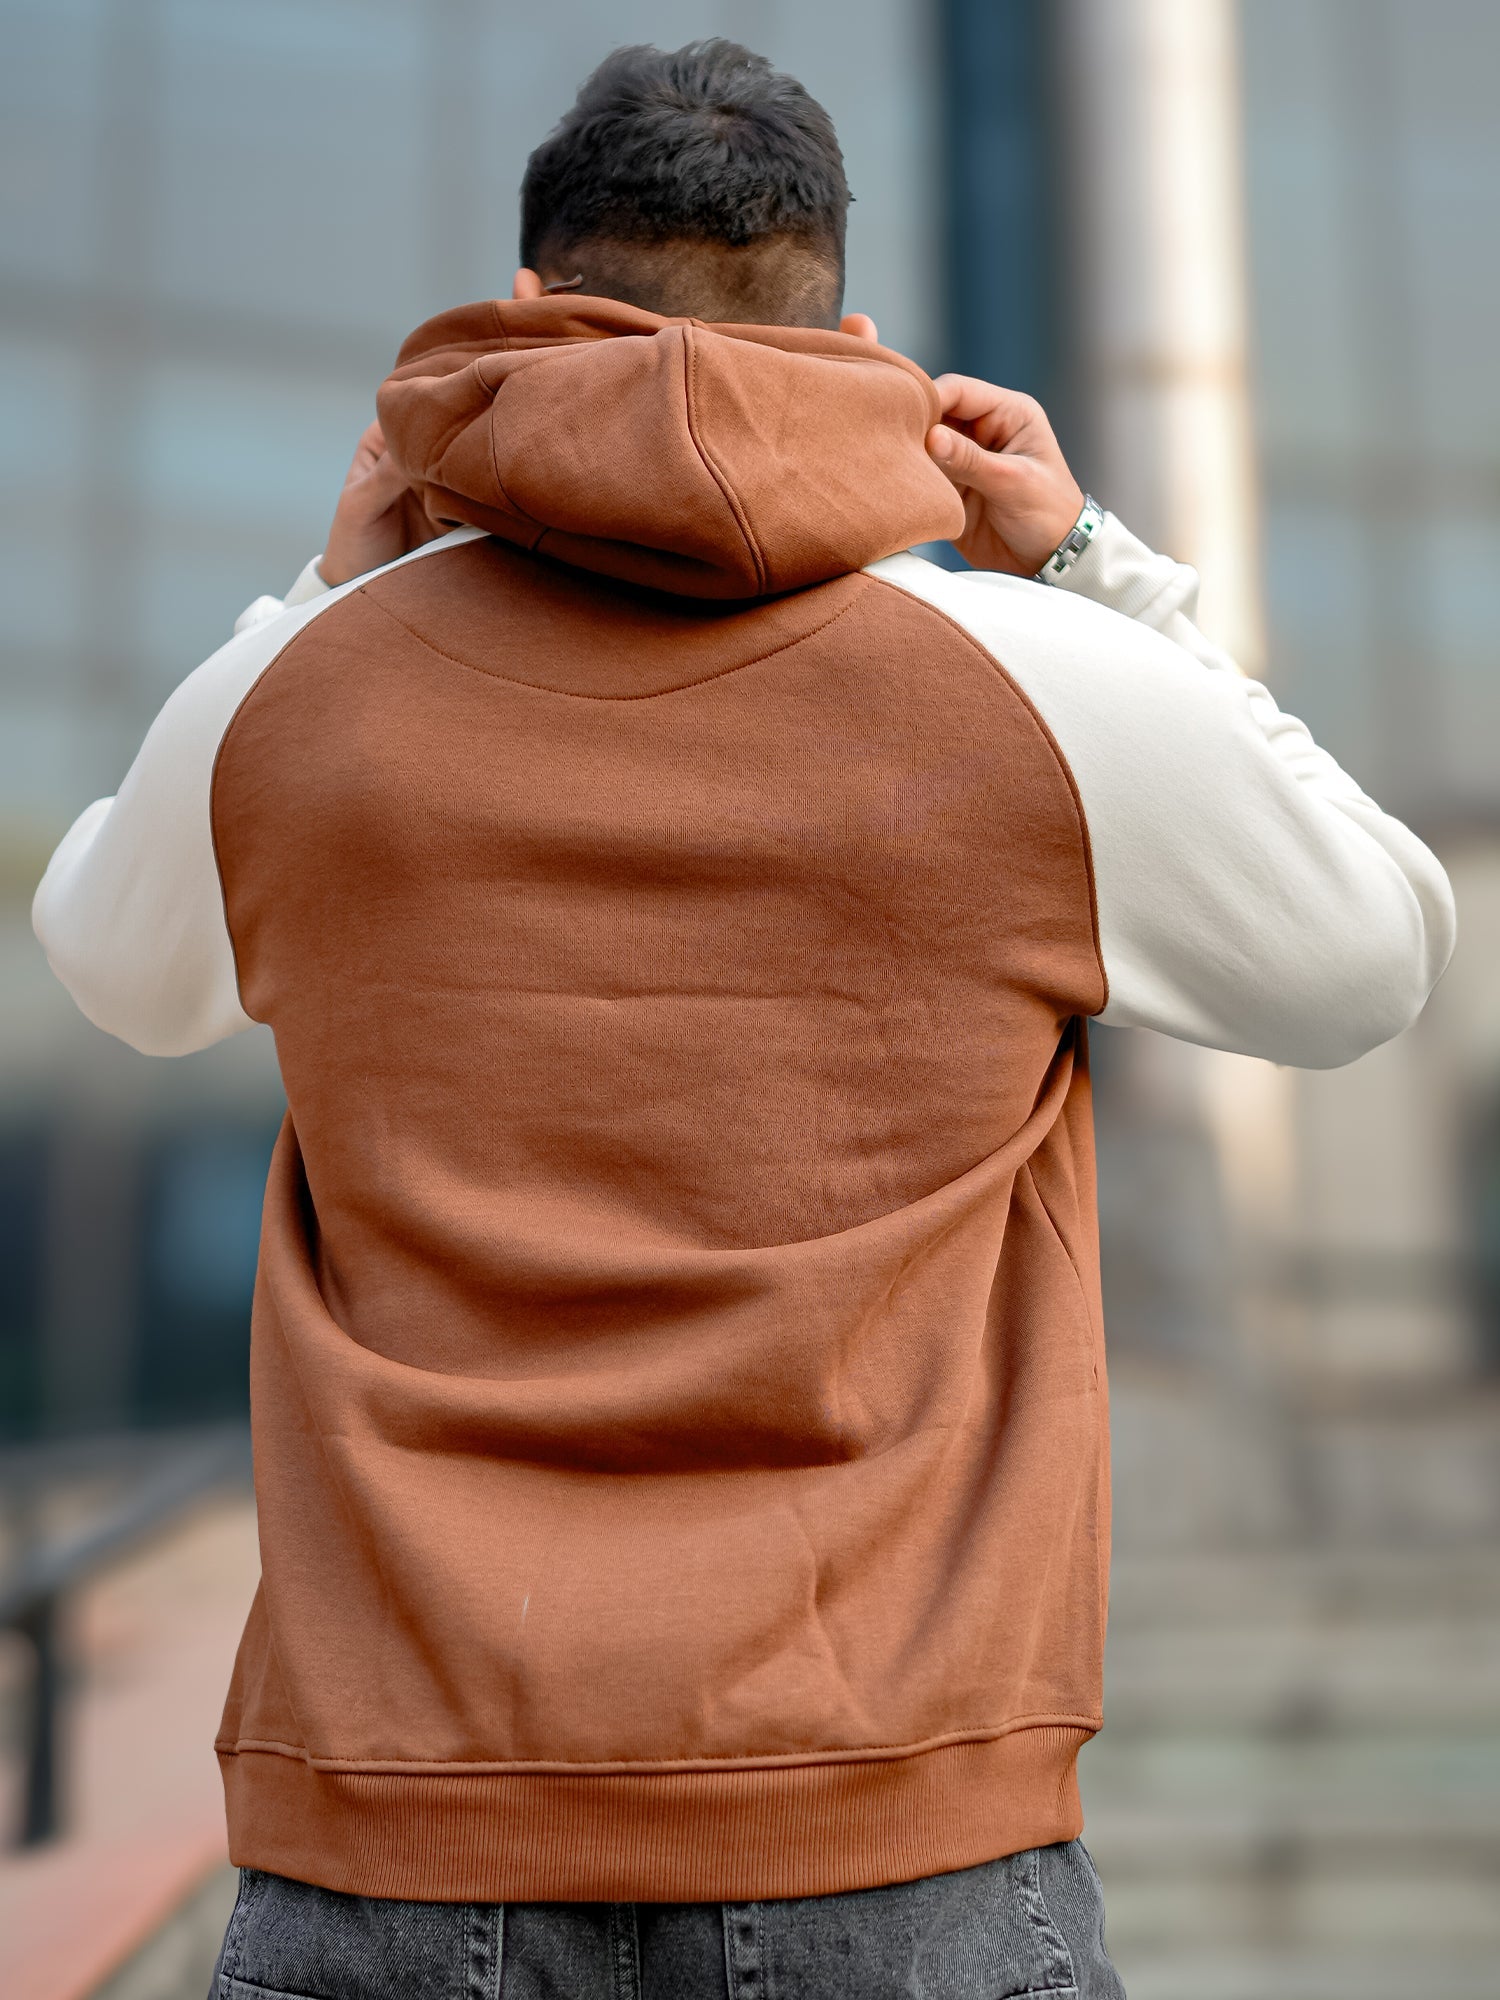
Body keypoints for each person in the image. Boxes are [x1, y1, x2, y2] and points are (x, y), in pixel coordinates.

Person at [32, 37, 1454, 2000]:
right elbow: (1375, 949)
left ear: (529, 312)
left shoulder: (308, 699)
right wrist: (1095, 567)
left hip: (404, 1823)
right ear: (846, 329)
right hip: (902, 1833)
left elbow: (113, 959)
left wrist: (316, 587)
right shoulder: (1037, 685)